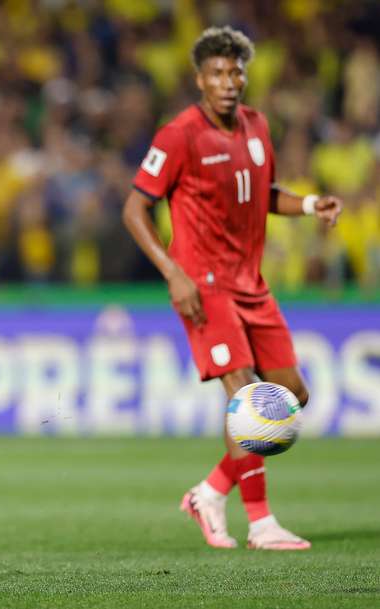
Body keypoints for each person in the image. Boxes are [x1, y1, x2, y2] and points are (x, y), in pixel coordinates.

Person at [122, 27, 343, 551]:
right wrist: (174, 273)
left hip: (252, 285)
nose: (228, 81)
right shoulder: (179, 134)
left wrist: (309, 205)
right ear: (199, 79)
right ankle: (262, 523)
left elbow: (259, 191)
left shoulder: (256, 126)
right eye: (217, 73)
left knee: (292, 394)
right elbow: (135, 209)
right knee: (249, 396)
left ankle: (211, 492)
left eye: (236, 71)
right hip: (204, 286)